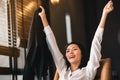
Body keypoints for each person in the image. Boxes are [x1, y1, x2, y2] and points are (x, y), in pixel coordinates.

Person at [38, 0, 114, 80]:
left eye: (74, 49)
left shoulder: (88, 71)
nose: (70, 52)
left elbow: (96, 42)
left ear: (82, 54)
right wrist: (43, 17)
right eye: (67, 51)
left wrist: (104, 14)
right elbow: (52, 45)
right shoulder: (63, 70)